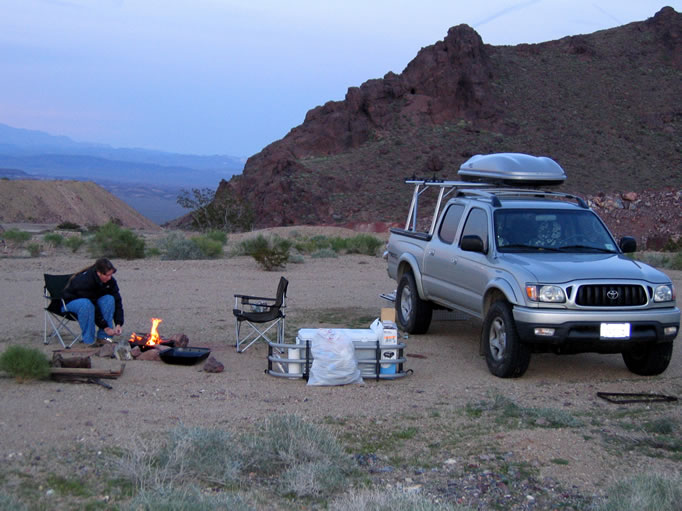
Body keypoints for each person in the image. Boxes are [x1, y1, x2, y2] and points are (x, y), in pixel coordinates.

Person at [62, 258, 124, 345]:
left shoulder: (110, 282)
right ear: (98, 272)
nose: (109, 278)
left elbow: (118, 301)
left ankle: (104, 338)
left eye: (111, 275)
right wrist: (105, 326)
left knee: (109, 299)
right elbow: (93, 306)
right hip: (70, 303)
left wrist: (118, 323)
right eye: (106, 275)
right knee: (86, 304)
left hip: (92, 303)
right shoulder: (85, 281)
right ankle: (89, 341)